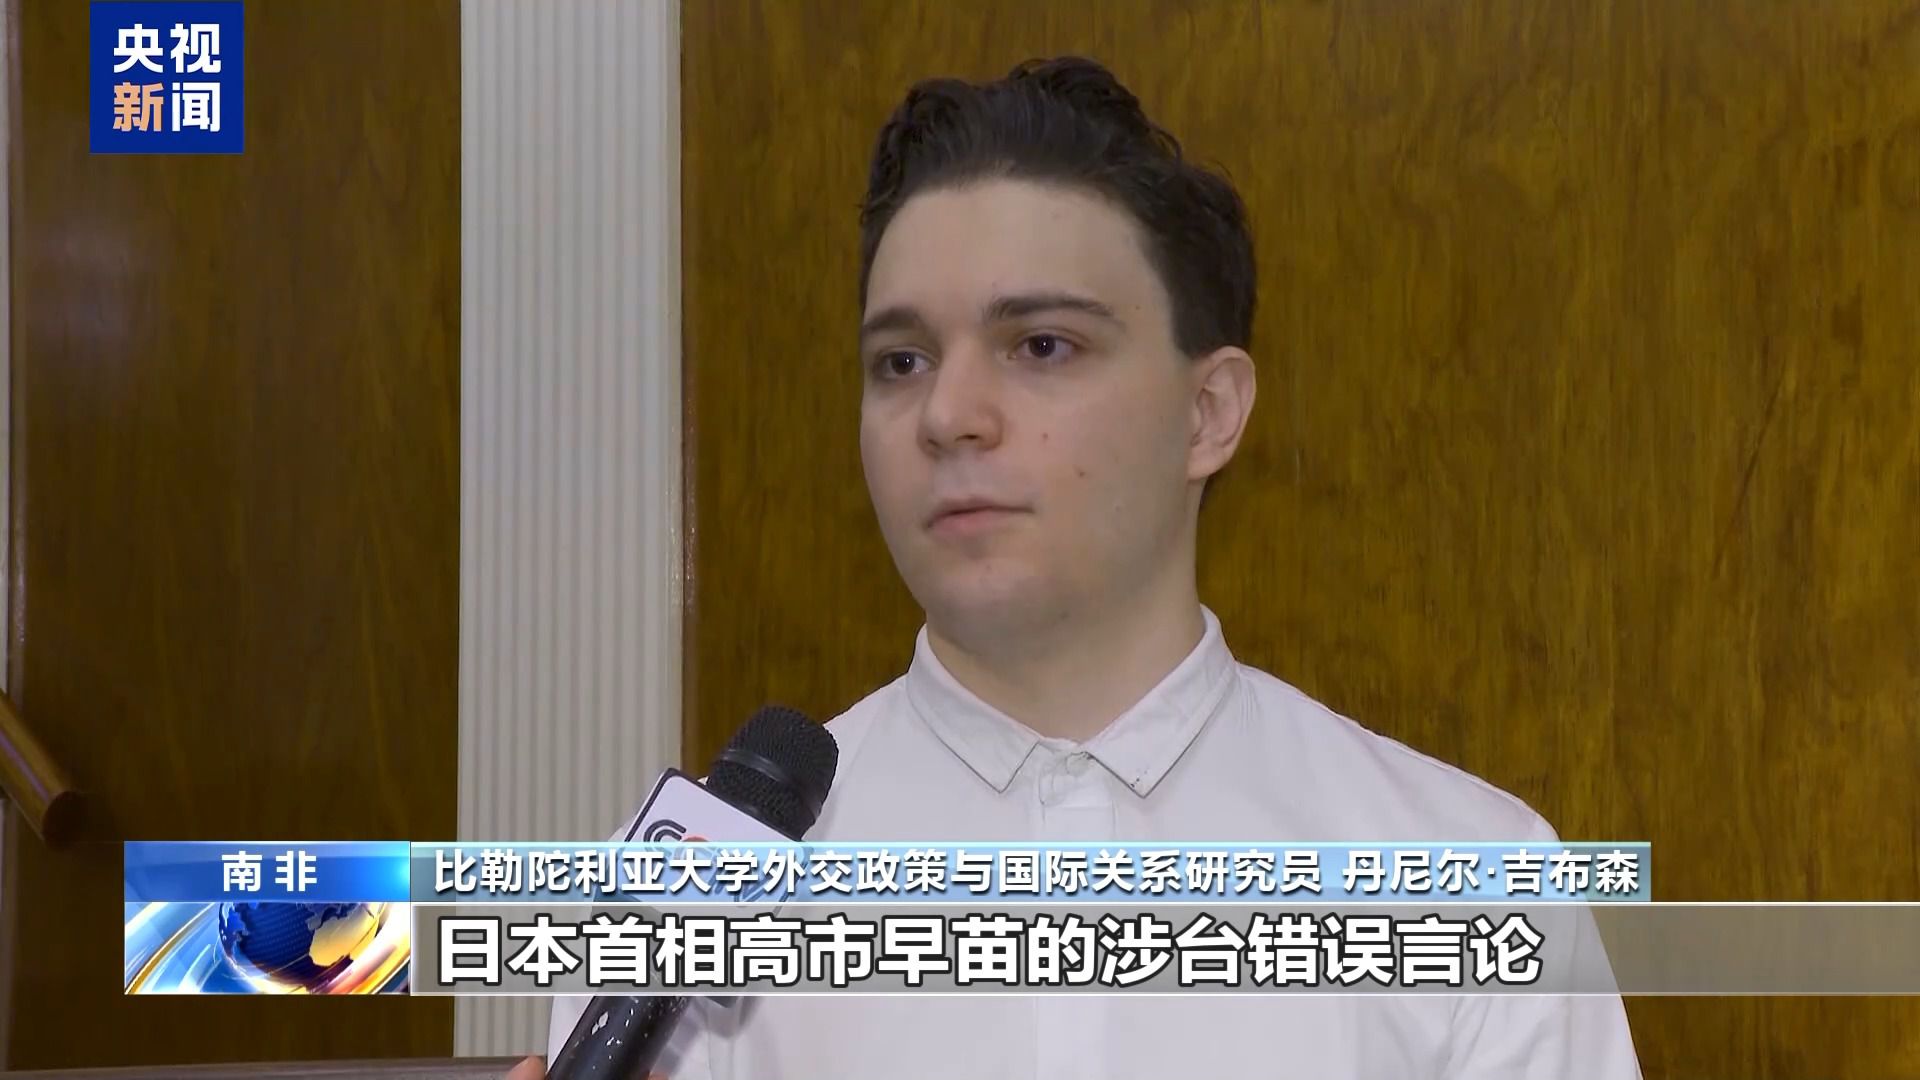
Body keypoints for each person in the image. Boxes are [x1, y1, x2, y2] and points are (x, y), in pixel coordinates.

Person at [510, 56, 1641, 1080]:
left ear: (1208, 412)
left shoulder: (1471, 877)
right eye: (901, 361)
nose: (948, 414)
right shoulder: (684, 894)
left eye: (1042, 345)